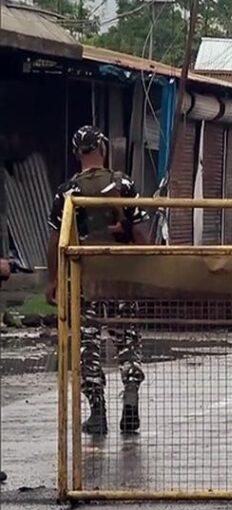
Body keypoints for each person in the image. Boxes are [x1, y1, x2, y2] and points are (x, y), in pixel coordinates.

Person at [47, 126, 148, 435]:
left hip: (85, 280)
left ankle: (97, 411)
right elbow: (141, 234)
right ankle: (130, 396)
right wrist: (147, 270)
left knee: (87, 344)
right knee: (128, 340)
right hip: (122, 278)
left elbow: (55, 240)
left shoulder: (68, 192)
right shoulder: (124, 184)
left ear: (76, 153)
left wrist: (54, 280)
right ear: (102, 149)